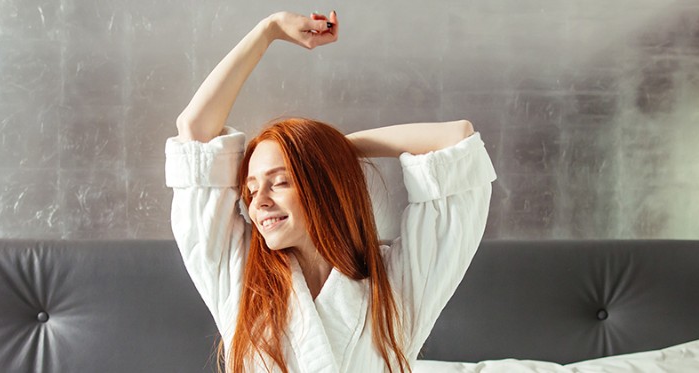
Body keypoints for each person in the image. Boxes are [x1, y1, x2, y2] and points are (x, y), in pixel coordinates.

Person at [167, 10, 496, 373]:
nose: (259, 202)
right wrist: (269, 30)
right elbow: (194, 130)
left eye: (279, 182)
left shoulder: (396, 282)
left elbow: (457, 140)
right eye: (251, 189)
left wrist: (339, 153)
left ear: (321, 185)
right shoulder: (241, 277)